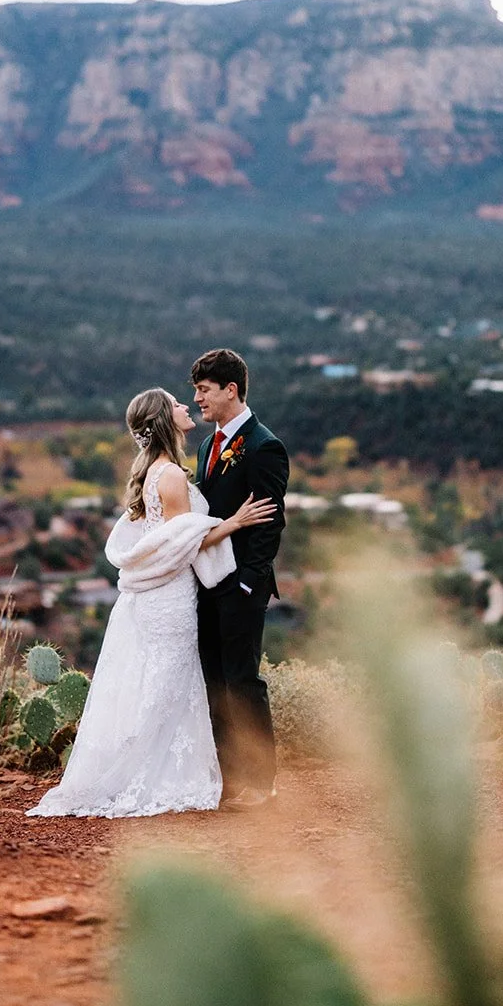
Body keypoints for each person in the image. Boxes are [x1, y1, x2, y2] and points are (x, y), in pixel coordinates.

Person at [27, 387, 275, 819]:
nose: (186, 406)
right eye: (178, 404)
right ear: (164, 420)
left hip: (154, 596)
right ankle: (156, 774)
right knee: (169, 684)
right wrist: (234, 522)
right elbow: (186, 542)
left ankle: (143, 767)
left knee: (153, 681)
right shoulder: (174, 476)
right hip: (173, 595)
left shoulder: (154, 472)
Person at [192, 347, 289, 811]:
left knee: (242, 682)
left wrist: (249, 583)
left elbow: (270, 523)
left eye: (204, 390)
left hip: (241, 587)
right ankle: (229, 779)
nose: (197, 400)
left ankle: (262, 783)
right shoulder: (207, 446)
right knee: (214, 682)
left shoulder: (264, 445)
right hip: (206, 585)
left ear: (231, 390)